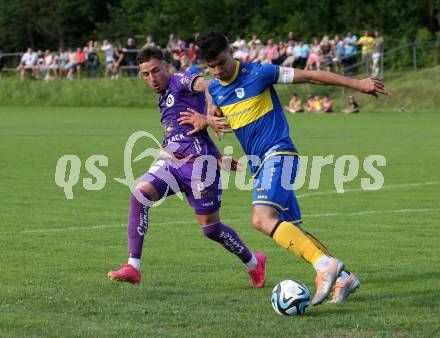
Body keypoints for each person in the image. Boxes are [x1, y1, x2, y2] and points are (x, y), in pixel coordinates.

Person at [187, 32, 387, 305]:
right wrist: (211, 120)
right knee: (292, 230)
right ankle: (344, 278)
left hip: (279, 154)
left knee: (261, 219)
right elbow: (220, 108)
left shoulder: (261, 73)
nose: (218, 70)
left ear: (231, 50)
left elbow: (313, 76)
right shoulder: (217, 88)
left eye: (222, 62)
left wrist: (359, 83)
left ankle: (324, 265)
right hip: (259, 165)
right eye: (212, 66)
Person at [107, 47, 266, 288]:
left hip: (201, 169)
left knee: (211, 229)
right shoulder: (164, 98)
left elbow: (211, 85)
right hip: (171, 162)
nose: (152, 78)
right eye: (146, 74)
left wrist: (209, 117)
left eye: (156, 71)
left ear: (167, 66)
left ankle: (254, 263)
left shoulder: (181, 79)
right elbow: (190, 135)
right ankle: (133, 267)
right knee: (139, 195)